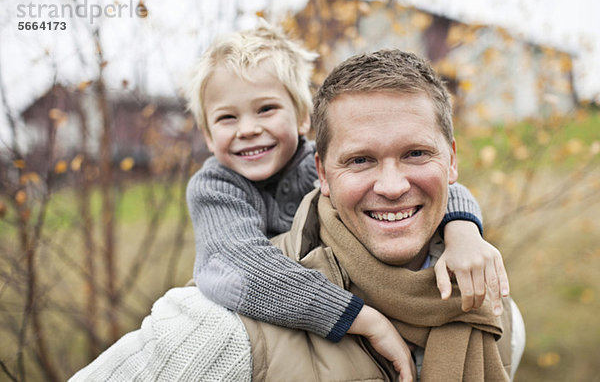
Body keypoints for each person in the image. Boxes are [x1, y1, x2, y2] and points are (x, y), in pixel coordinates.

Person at [70, 48, 525, 382]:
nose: (391, 186)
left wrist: (466, 231)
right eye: (361, 161)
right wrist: (357, 317)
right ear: (322, 173)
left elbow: (445, 193)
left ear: (451, 161)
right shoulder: (214, 333)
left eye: (416, 153)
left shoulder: (496, 311)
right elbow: (231, 264)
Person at [183, 20, 508, 358]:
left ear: (302, 117)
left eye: (266, 109)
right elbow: (238, 268)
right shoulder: (215, 189)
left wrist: (465, 232)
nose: (248, 129)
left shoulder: (325, 162)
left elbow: (435, 185)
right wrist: (359, 317)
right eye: (226, 118)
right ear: (207, 134)